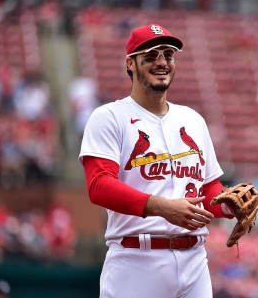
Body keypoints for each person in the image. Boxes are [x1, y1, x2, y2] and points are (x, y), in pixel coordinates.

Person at [79, 24, 235, 298]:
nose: (162, 62)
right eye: (151, 55)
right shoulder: (109, 117)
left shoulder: (193, 120)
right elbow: (99, 185)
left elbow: (209, 192)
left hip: (195, 261)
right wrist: (162, 207)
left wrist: (229, 205)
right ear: (131, 63)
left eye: (168, 55)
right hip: (137, 261)